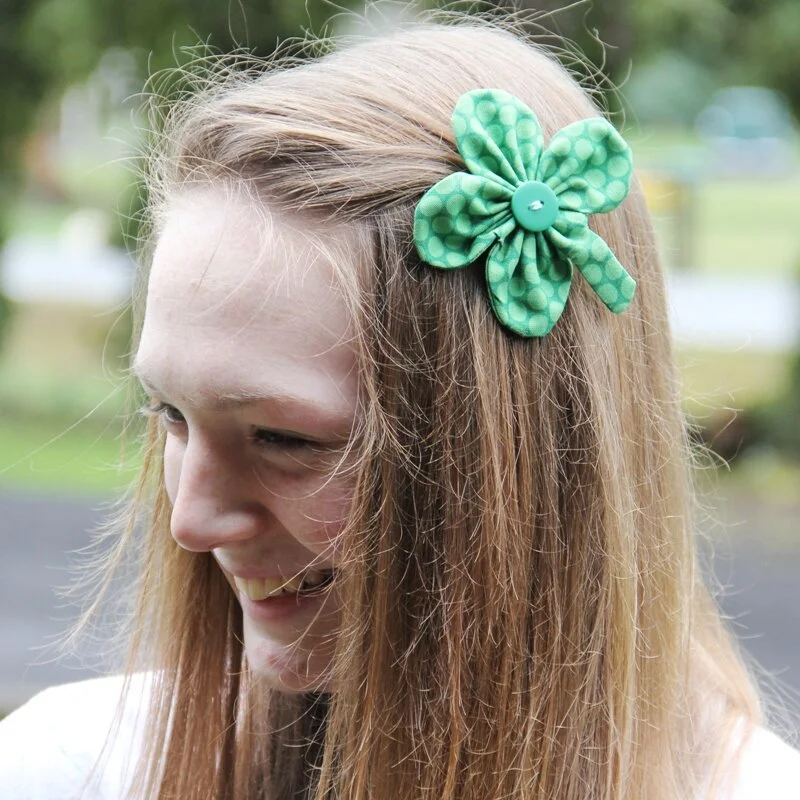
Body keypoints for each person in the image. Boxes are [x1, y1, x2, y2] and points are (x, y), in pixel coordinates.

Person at [1, 12, 798, 800]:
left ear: (529, 456)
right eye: (169, 414)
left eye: (284, 439)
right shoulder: (66, 771)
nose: (191, 521)